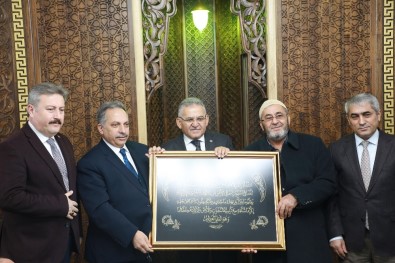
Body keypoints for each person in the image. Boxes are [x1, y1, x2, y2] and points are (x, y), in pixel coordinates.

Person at [243, 99, 337, 263]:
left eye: (279, 115)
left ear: (288, 118)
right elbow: (244, 198)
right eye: (269, 117)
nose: (275, 121)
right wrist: (247, 235)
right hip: (267, 241)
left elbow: (327, 182)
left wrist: (296, 197)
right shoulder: (250, 152)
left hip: (309, 239)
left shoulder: (313, 144)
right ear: (261, 124)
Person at [0, 82, 81, 263]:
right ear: (31, 109)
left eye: (61, 110)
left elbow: (70, 188)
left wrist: (77, 234)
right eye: (51, 109)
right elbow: (9, 198)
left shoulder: (63, 141)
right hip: (32, 249)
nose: (57, 116)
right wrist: (60, 205)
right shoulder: (12, 147)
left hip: (64, 244)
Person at [150, 97, 237, 263]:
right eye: (189, 119)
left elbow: (236, 184)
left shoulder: (223, 141)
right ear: (178, 122)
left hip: (221, 224)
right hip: (186, 228)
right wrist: (155, 160)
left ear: (207, 120)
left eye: (200, 118)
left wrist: (229, 157)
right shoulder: (167, 150)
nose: (195, 124)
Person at [77, 101, 153, 263]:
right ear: (100, 129)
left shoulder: (143, 151)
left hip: (147, 247)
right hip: (113, 251)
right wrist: (131, 234)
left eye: (126, 124)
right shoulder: (89, 163)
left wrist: (161, 161)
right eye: (115, 125)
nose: (123, 131)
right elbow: (99, 209)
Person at [327, 93, 395, 262]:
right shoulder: (336, 149)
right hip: (351, 241)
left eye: (367, 114)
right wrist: (335, 234)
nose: (362, 122)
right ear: (348, 120)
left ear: (378, 115)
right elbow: (331, 196)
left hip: (390, 236)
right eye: (355, 116)